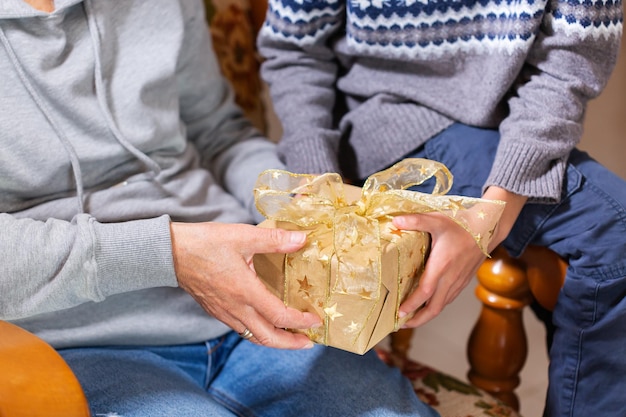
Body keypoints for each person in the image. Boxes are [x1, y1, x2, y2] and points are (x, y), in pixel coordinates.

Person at [0, 1, 441, 416]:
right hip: (76, 345)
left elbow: (220, 134)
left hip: (260, 303)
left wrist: (300, 203)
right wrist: (169, 254)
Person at [257, 1, 626, 416]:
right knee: (614, 238)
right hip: (385, 117)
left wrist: (492, 217)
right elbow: (296, 49)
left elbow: (571, 62)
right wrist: (322, 185)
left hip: (514, 116)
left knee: (607, 245)